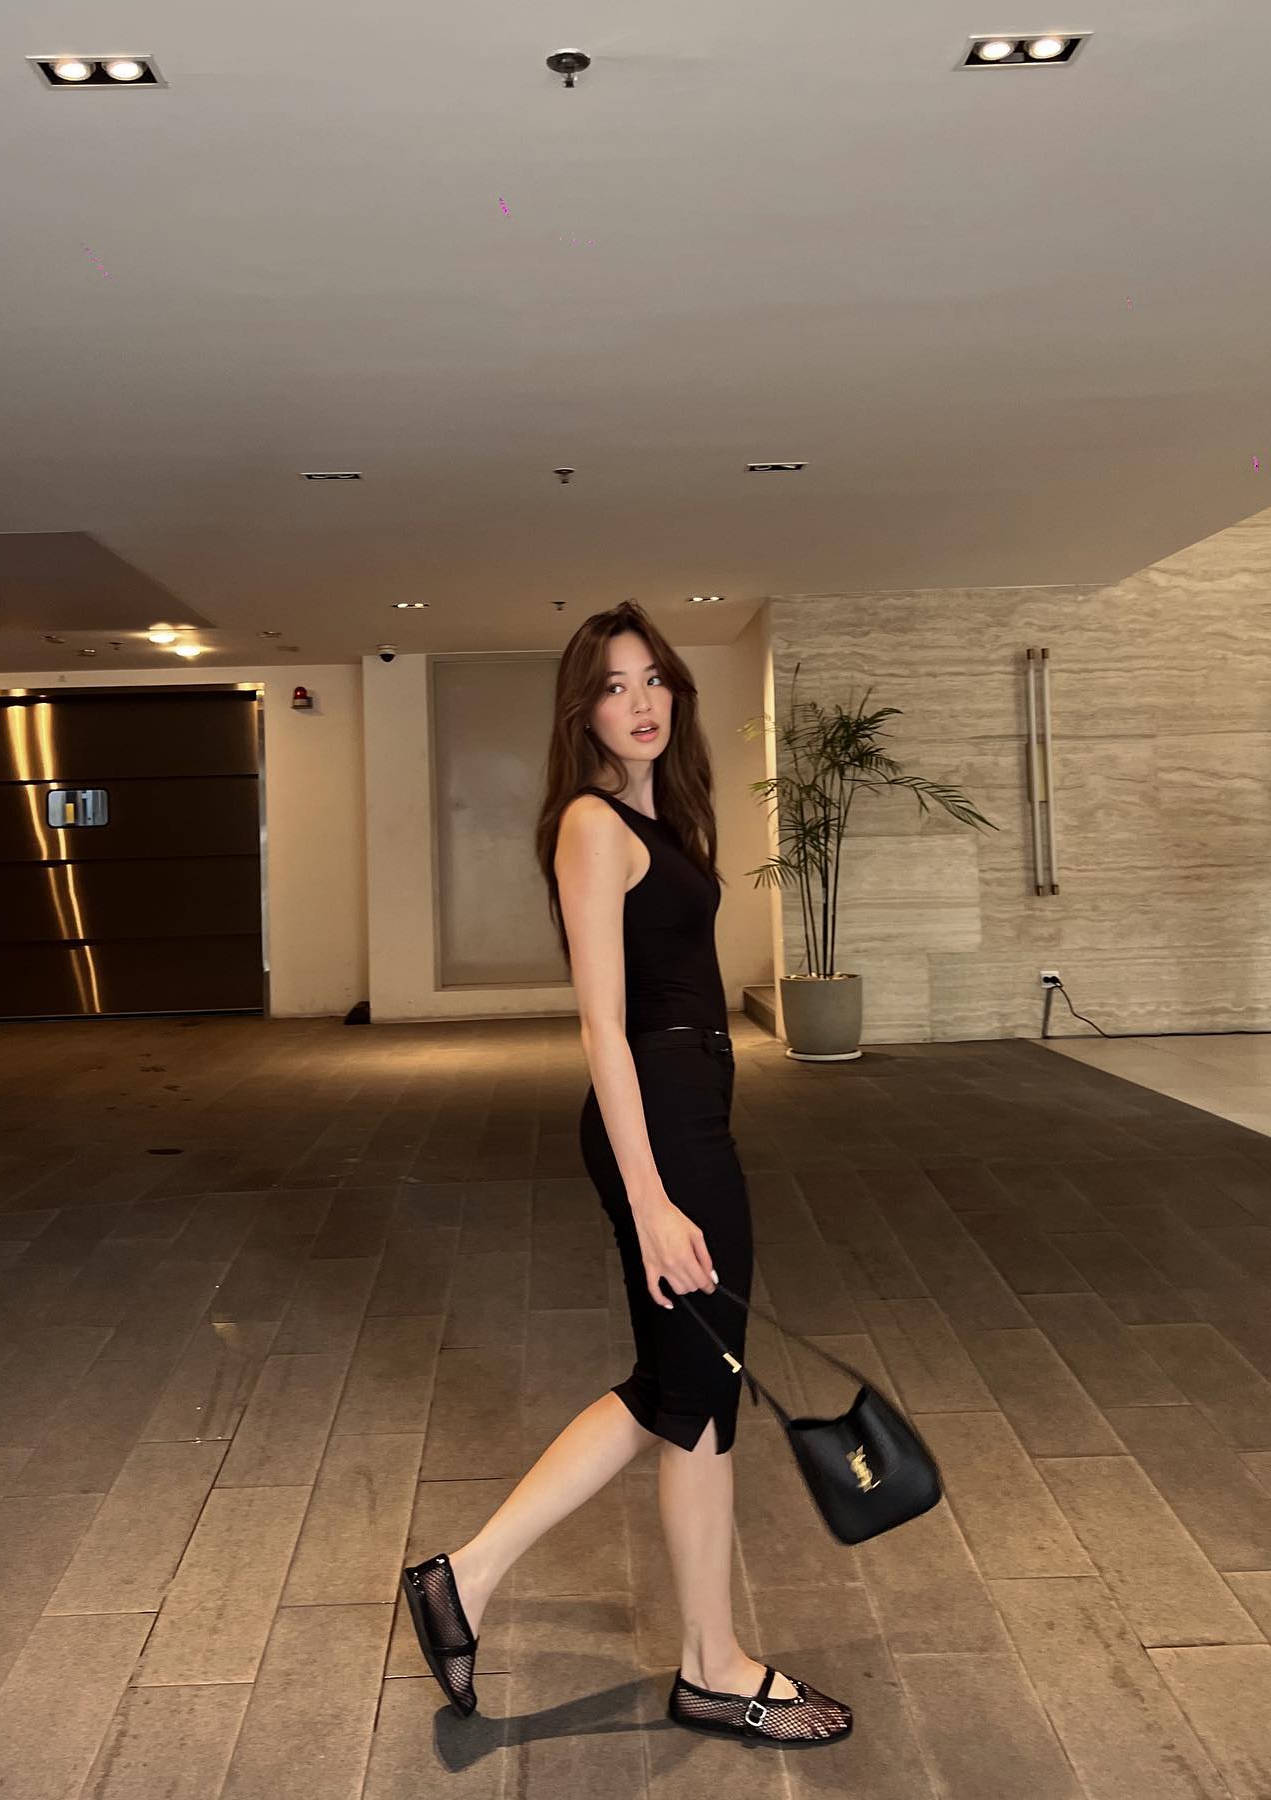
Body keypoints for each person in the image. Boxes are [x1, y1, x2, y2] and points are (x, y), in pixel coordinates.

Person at [401, 600, 853, 1747]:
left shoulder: (662, 811)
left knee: (683, 1389)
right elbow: (602, 1023)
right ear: (583, 710)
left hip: (689, 1109)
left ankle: (483, 1583)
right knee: (691, 1395)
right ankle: (700, 1663)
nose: (640, 701)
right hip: (662, 1125)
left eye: (653, 678)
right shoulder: (592, 824)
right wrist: (652, 1201)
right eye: (613, 685)